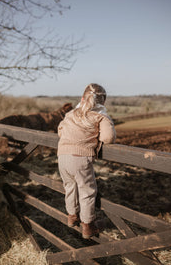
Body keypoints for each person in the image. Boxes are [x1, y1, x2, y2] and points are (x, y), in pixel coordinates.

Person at [57, 83, 116, 239]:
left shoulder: (71, 114)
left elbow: (60, 130)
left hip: (62, 157)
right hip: (80, 159)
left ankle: (72, 216)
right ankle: (88, 226)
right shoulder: (100, 116)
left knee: (69, 187)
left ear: (82, 98)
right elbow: (108, 138)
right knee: (87, 191)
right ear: (103, 102)